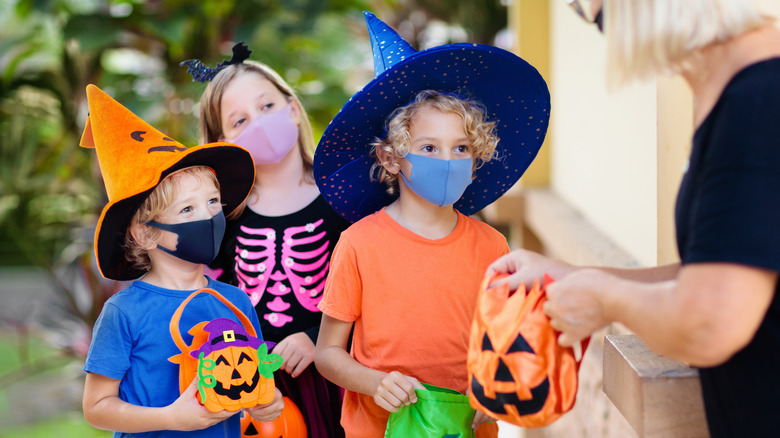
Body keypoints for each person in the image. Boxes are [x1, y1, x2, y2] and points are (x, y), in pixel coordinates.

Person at [489, 1, 780, 436]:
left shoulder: (758, 103)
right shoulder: (737, 89)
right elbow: (717, 268)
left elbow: (710, 321)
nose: (594, 26)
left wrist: (606, 298)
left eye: (587, 8)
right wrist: (573, 275)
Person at [313, 12, 550, 438]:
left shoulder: (492, 246)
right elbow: (328, 353)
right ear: (390, 158)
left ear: (477, 157)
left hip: (465, 427)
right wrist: (375, 383)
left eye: (461, 147)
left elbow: (508, 341)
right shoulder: (358, 244)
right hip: (377, 427)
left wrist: (497, 388)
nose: (446, 161)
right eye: (428, 147)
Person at [79, 84, 284, 437]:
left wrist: (267, 402)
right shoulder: (123, 312)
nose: (207, 217)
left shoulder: (236, 302)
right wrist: (169, 418)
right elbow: (96, 408)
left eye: (212, 202)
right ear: (145, 233)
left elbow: (251, 379)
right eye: (187, 209)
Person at [184, 42, 350, 437]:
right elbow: (207, 299)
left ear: (293, 108)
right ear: (222, 141)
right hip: (245, 385)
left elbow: (371, 292)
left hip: (331, 378)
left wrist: (318, 340)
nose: (257, 123)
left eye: (267, 106)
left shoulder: (344, 199)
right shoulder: (222, 217)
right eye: (238, 121)